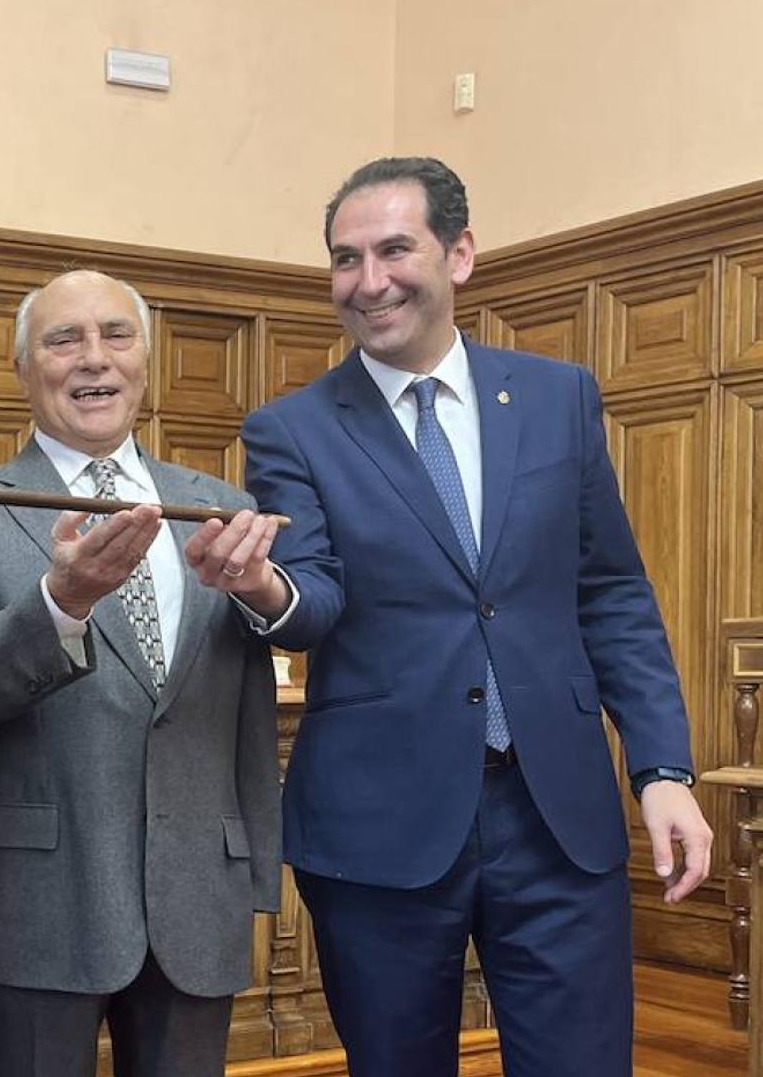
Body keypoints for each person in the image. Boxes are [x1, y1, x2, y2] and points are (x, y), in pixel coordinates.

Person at [240, 156, 715, 1076]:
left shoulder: (558, 398)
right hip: (380, 827)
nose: (368, 282)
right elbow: (312, 595)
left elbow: (610, 590)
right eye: (345, 260)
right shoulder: (291, 429)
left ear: (459, 254)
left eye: (393, 250)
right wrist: (264, 591)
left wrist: (661, 768)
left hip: (558, 818)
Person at [0, 270, 284, 1077]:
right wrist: (58, 605)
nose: (95, 359)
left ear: (146, 359)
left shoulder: (222, 507)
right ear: (22, 368)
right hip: (34, 903)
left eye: (117, 335)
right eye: (63, 339)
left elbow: (247, 710)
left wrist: (252, 865)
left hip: (195, 897)